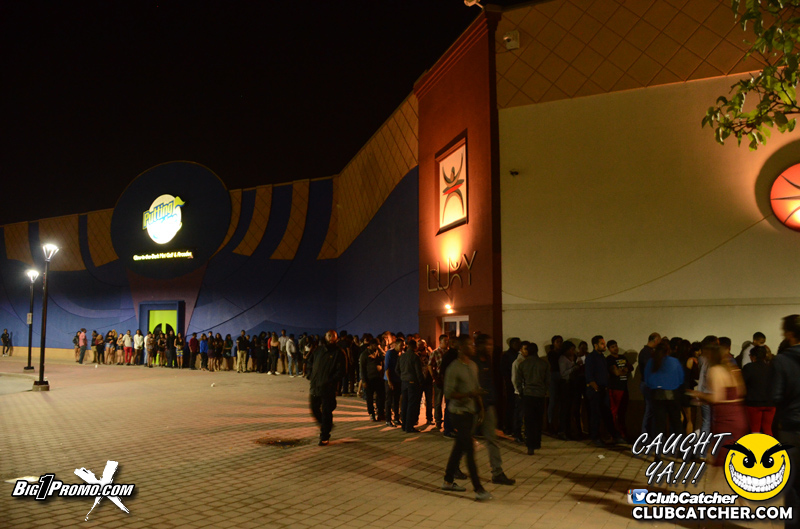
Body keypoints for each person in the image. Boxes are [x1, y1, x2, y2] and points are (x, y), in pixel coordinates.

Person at [441, 335, 492, 501]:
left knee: (459, 447)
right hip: (458, 413)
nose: (474, 347)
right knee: (469, 449)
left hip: (470, 412)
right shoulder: (453, 368)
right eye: (470, 345)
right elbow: (449, 393)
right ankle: (479, 489)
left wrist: (481, 409)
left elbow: (476, 389)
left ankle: (448, 480)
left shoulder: (473, 365)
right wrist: (469, 394)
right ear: (461, 348)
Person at [688, 343, 747, 466]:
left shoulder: (715, 370)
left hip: (724, 418)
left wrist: (698, 394)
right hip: (738, 416)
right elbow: (741, 392)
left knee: (722, 460)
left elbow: (716, 398)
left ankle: (702, 454)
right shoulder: (733, 369)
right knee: (731, 458)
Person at [472, 334, 516, 485]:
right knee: (464, 440)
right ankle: (453, 469)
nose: (490, 348)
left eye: (491, 344)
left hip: (488, 405)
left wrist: (492, 400)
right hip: (474, 407)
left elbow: (489, 382)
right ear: (479, 345)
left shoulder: (488, 360)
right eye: (488, 345)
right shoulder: (473, 361)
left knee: (492, 439)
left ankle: (497, 472)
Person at [771, 314, 800, 529]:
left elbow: (776, 396)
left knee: (791, 485)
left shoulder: (781, 360)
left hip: (791, 427)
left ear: (789, 334)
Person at [308, 330, 346, 446]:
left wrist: (330, 381)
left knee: (326, 411)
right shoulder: (318, 350)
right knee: (314, 408)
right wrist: (310, 374)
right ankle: (327, 425)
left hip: (328, 388)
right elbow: (310, 362)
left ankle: (324, 435)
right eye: (329, 335)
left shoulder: (339, 353)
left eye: (333, 336)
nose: (331, 338)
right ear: (325, 337)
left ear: (336, 338)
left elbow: (341, 371)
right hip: (315, 386)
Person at [645, 341, 684, 444]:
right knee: (676, 423)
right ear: (668, 351)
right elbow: (681, 379)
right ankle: (681, 448)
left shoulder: (651, 362)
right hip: (673, 394)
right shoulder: (674, 361)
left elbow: (647, 379)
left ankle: (658, 449)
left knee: (659, 424)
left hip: (656, 394)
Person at [516, 339, 548, 455]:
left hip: (528, 394)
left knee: (529, 421)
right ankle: (537, 442)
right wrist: (544, 391)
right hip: (539, 394)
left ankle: (530, 446)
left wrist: (521, 392)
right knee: (538, 419)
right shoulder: (544, 364)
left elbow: (518, 381)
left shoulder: (523, 364)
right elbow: (547, 380)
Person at [742, 345, 775, 435]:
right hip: (770, 403)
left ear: (753, 357)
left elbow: (742, 384)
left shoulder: (748, 368)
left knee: (755, 429)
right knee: (767, 429)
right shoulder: (772, 368)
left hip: (754, 403)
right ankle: (770, 444)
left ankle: (755, 444)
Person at [396, 338, 423, 433]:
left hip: (404, 382)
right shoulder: (415, 357)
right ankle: (409, 426)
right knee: (412, 405)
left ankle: (404, 425)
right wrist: (421, 382)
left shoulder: (401, 356)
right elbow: (418, 372)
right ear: (415, 347)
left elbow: (396, 370)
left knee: (404, 403)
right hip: (412, 382)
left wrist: (402, 377)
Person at [557, 341, 583, 440]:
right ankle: (562, 430)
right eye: (572, 349)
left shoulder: (574, 357)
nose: (573, 351)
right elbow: (563, 373)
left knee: (570, 409)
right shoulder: (562, 359)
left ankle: (569, 430)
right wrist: (574, 367)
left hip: (573, 384)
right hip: (565, 384)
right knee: (565, 408)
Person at [606, 340, 630, 440]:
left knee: (622, 412)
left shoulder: (622, 357)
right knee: (614, 412)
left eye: (616, 346)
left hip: (624, 387)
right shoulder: (609, 359)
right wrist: (623, 371)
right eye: (612, 347)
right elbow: (616, 372)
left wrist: (623, 371)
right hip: (615, 388)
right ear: (609, 349)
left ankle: (622, 433)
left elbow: (629, 368)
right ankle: (613, 434)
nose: (615, 348)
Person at [637, 333, 660, 435]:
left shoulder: (647, 352)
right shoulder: (646, 353)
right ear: (655, 340)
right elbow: (649, 368)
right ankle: (645, 435)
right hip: (648, 384)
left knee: (651, 410)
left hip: (649, 384)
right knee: (649, 410)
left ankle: (649, 434)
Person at [359, 338, 385, 421]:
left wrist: (380, 350)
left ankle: (380, 413)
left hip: (379, 378)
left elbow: (385, 357)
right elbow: (362, 369)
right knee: (369, 398)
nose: (377, 346)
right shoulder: (364, 354)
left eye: (378, 345)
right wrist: (364, 381)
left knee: (381, 397)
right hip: (369, 379)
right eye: (376, 345)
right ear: (371, 345)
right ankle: (371, 414)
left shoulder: (379, 353)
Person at [500, 337, 521, 436]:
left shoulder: (518, 355)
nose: (519, 345)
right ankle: (508, 427)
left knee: (516, 406)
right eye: (517, 343)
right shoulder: (507, 356)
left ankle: (514, 427)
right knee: (510, 406)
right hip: (510, 383)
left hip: (517, 383)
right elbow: (504, 371)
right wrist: (507, 383)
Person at [428, 334, 449, 430]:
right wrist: (434, 376)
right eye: (445, 340)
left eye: (447, 340)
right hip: (439, 379)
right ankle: (438, 420)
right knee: (438, 401)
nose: (447, 342)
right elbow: (429, 365)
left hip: (448, 380)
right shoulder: (435, 352)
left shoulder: (449, 352)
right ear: (440, 341)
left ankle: (448, 421)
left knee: (448, 401)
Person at [547, 335, 564, 434]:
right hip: (554, 375)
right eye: (558, 342)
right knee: (553, 400)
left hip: (562, 376)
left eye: (561, 342)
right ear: (553, 343)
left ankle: (560, 424)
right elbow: (555, 364)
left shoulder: (563, 353)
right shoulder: (551, 353)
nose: (560, 344)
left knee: (562, 401)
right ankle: (550, 423)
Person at [384, 339, 402, 427]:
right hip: (390, 379)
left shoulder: (400, 354)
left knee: (396, 400)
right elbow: (387, 368)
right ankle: (388, 419)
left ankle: (396, 418)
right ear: (396, 345)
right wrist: (389, 381)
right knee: (389, 400)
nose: (402, 347)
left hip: (397, 380)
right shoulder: (389, 353)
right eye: (401, 345)